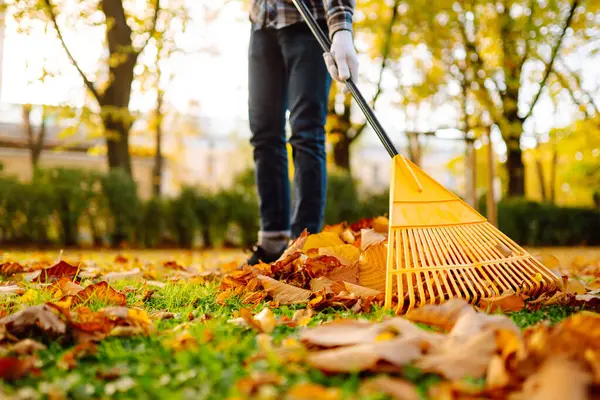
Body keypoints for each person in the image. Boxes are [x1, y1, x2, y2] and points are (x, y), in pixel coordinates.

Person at [244, 0, 359, 266]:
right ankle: (272, 242)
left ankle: (305, 246)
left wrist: (341, 29)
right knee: (264, 134)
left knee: (306, 133)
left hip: (310, 20)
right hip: (264, 20)